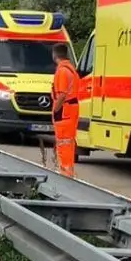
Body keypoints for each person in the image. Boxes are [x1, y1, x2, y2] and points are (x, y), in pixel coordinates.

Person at [51, 43, 81, 179]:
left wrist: (56, 109)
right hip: (71, 109)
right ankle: (68, 171)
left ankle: (65, 173)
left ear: (55, 55)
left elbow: (62, 94)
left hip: (64, 110)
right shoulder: (71, 69)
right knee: (68, 142)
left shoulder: (62, 71)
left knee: (63, 142)